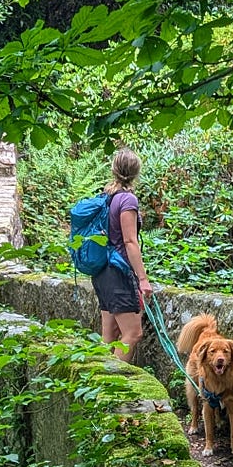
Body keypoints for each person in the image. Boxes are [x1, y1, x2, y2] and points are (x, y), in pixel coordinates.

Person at [94, 147, 152, 359]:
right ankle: (113, 384)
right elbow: (129, 241)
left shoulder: (106, 197)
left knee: (109, 336)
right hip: (118, 272)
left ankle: (99, 384)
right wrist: (143, 279)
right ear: (136, 172)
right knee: (133, 333)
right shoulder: (127, 200)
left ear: (114, 169)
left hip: (102, 271)